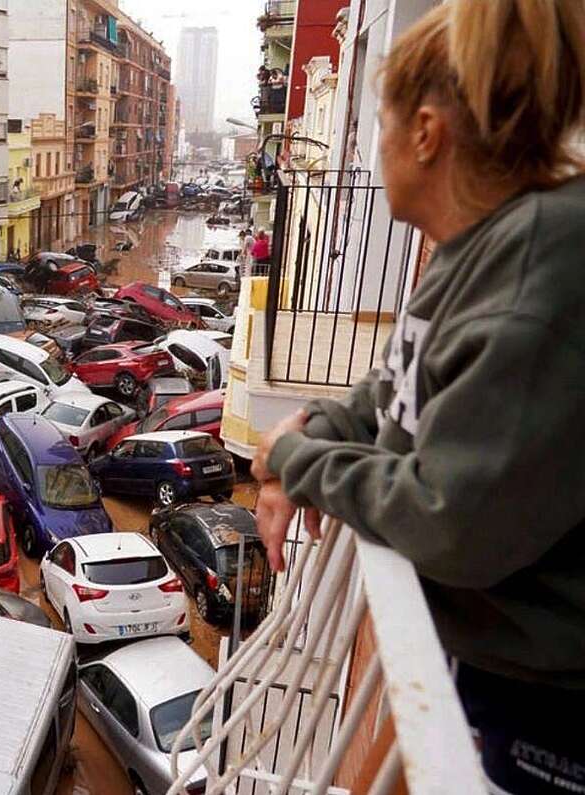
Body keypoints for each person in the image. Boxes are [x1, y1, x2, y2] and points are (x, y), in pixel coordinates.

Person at [250, 1, 585, 792]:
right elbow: (394, 385)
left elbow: (449, 518)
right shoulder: (484, 248)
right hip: (494, 671)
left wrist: (296, 456)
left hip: (544, 716)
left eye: (380, 122)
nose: (377, 145)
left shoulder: (541, 263)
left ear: (427, 133)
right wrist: (321, 425)